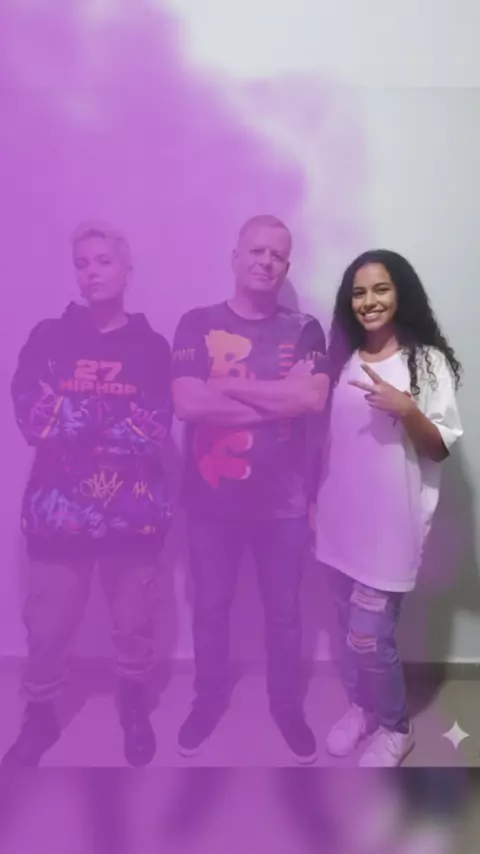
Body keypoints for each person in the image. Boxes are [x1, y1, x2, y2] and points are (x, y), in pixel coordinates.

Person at [4, 221, 172, 767]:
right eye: (82, 263)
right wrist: (115, 418)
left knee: (134, 624)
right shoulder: (48, 338)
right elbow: (33, 419)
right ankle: (41, 715)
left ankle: (133, 705)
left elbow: (155, 428)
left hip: (134, 514)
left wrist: (70, 414)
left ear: (126, 271)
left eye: (103, 261)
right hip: (58, 514)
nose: (91, 272)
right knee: (47, 627)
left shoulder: (152, 347)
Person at [171, 215, 329, 763]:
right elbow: (187, 403)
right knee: (210, 609)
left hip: (285, 504)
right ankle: (208, 699)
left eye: (277, 255)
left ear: (287, 266)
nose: (266, 262)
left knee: (284, 613)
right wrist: (280, 397)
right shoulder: (196, 323)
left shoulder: (306, 329)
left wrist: (228, 390)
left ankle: (285, 705)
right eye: (257, 251)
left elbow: (312, 399)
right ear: (235, 256)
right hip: (210, 502)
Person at [313, 249, 463, 767]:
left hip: (391, 529)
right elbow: (327, 442)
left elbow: (439, 449)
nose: (369, 301)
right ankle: (363, 708)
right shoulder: (341, 359)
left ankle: (396, 728)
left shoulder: (426, 362)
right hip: (337, 523)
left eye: (381, 289)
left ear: (400, 293)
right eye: (359, 292)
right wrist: (313, 504)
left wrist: (408, 409)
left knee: (370, 637)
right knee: (346, 631)